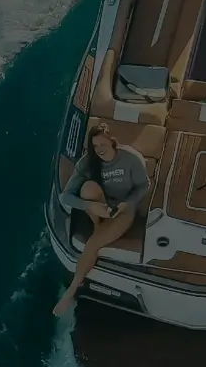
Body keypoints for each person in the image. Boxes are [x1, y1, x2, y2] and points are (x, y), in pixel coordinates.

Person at [52, 123, 150, 316]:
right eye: (95, 146)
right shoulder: (88, 163)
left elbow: (144, 185)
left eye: (103, 145)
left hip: (124, 209)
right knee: (87, 187)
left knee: (93, 244)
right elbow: (65, 196)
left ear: (112, 142)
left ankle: (71, 290)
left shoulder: (130, 158)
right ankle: (100, 227)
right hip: (102, 207)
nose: (100, 150)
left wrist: (127, 203)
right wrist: (92, 206)